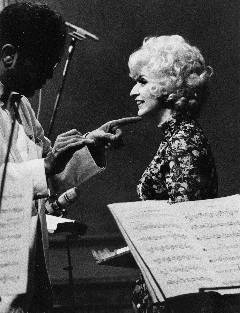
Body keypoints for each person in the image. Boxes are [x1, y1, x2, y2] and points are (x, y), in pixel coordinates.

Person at [0, 3, 140, 313]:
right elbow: (40, 172)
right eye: (45, 63)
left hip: (30, 274)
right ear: (9, 55)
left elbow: (48, 180)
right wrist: (46, 166)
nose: (51, 74)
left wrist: (89, 146)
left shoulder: (21, 107)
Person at [128, 35, 218, 312]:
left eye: (142, 81)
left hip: (175, 290)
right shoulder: (177, 137)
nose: (133, 92)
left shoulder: (184, 139)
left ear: (168, 84)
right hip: (165, 282)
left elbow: (183, 224)